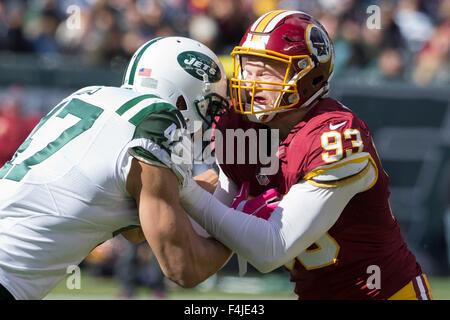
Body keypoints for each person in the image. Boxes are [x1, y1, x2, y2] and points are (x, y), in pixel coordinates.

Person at [179, 10, 433, 300]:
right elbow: (206, 228)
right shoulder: (238, 126)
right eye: (248, 67)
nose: (250, 81)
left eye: (267, 69)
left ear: (309, 76)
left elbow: (271, 249)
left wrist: (186, 192)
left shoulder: (335, 136)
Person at [0, 36, 232, 300]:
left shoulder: (91, 94)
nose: (207, 124)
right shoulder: (157, 120)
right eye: (208, 108)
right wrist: (240, 215)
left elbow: (134, 228)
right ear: (182, 98)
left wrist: (206, 186)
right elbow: (184, 267)